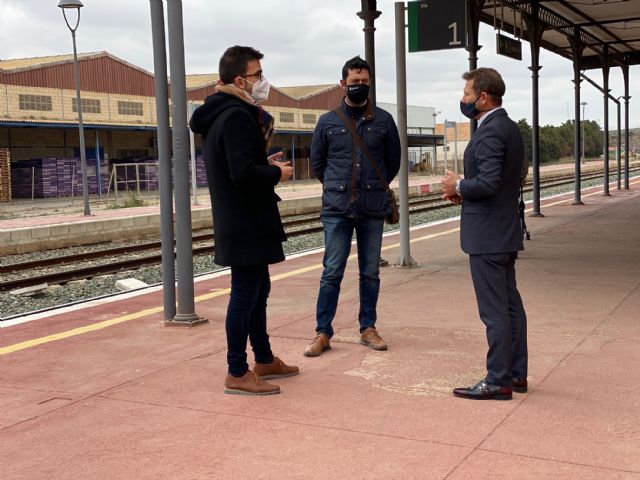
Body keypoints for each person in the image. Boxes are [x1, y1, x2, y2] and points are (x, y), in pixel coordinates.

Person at [189, 45, 299, 395]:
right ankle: (236, 370)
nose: (262, 81)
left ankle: (263, 358)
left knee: (258, 290)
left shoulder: (223, 112)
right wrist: (275, 172)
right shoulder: (236, 115)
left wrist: (265, 164)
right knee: (245, 294)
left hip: (243, 218)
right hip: (245, 219)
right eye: (258, 75)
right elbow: (242, 173)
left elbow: (239, 164)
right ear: (240, 79)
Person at [304, 56, 401, 357]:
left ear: (370, 83)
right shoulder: (327, 122)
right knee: (332, 271)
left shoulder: (384, 121)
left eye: (364, 82)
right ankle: (323, 333)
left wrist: (371, 184)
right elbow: (318, 164)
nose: (359, 86)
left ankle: (367, 328)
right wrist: (339, 186)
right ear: (342, 83)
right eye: (354, 81)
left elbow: (392, 162)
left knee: (370, 271)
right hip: (337, 208)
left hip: (372, 207)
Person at [441, 67, 528, 401]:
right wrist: (465, 192)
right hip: (503, 228)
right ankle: (516, 373)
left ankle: (497, 380)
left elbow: (490, 181)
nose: (463, 99)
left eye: (466, 93)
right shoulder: (510, 128)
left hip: (488, 234)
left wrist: (458, 184)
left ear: (484, 97)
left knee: (494, 311)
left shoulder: (491, 131)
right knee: (509, 306)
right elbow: (507, 180)